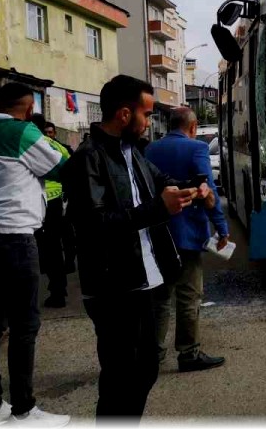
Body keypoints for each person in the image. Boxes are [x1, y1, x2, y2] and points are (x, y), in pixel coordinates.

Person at [62, 75, 211, 419]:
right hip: (113, 285)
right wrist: (160, 208)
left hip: (144, 279)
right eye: (146, 114)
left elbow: (163, 183)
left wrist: (193, 188)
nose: (150, 122)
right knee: (120, 379)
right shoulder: (89, 158)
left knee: (144, 369)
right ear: (125, 115)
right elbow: (93, 225)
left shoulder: (135, 153)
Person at [0, 83, 70, 426]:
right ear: (28, 107)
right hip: (15, 238)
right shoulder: (20, 131)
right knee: (24, 326)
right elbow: (62, 165)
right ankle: (24, 409)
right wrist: (37, 133)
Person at [147, 107, 229, 373]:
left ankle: (153, 355)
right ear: (193, 127)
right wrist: (220, 225)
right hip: (186, 233)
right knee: (188, 295)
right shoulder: (197, 148)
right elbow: (208, 189)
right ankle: (188, 353)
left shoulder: (150, 149)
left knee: (160, 297)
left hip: (157, 231)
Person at [28, 115, 73, 308]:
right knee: (54, 246)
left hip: (38, 200)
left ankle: (43, 289)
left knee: (37, 247)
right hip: (56, 202)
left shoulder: (29, 145)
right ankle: (58, 289)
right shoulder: (57, 146)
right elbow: (71, 168)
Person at [42, 122, 77, 275]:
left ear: (55, 133)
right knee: (51, 236)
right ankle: (52, 267)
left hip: (61, 198)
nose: (48, 135)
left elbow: (71, 170)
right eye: (45, 132)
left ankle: (69, 263)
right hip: (45, 199)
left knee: (65, 233)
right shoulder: (38, 149)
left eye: (50, 132)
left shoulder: (62, 148)